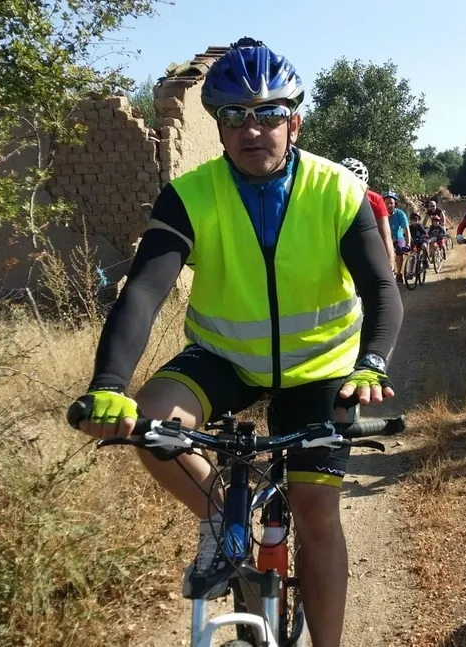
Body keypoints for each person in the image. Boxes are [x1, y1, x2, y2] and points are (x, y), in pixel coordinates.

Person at [66, 38, 403, 647]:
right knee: (152, 419)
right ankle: (223, 516)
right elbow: (143, 292)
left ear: (294, 121)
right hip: (223, 360)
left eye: (269, 113)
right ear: (218, 127)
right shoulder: (190, 195)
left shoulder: (337, 190)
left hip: (321, 369)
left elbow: (381, 288)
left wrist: (371, 362)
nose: (253, 129)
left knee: (316, 515)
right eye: (235, 116)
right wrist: (108, 386)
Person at [340, 157, 396, 271]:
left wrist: (390, 261)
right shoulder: (331, 198)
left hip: (368, 247)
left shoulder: (375, 199)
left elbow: (385, 234)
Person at [384, 191, 411, 283]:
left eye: (391, 203)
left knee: (399, 250)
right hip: (385, 237)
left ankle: (399, 273)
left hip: (397, 237)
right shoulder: (380, 213)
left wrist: (408, 243)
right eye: (386, 203)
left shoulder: (400, 214)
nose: (389, 205)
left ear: (395, 203)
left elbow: (406, 230)